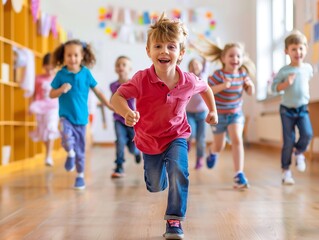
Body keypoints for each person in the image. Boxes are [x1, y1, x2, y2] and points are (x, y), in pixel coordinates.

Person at [111, 13, 218, 240]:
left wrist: (213, 110)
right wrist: (127, 113)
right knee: (155, 185)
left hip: (176, 135)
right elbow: (117, 97)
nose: (164, 51)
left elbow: (206, 88)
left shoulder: (188, 80)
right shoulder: (141, 79)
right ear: (148, 51)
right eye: (158, 46)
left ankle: (174, 221)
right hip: (149, 140)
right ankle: (159, 177)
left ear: (181, 53)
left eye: (171, 46)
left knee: (179, 171)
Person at [49, 39, 113, 190]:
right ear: (64, 56)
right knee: (66, 136)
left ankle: (80, 176)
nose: (72, 58)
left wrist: (109, 105)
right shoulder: (61, 74)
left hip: (82, 119)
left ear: (82, 55)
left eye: (76, 55)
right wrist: (60, 90)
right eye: (69, 55)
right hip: (66, 116)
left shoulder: (86, 73)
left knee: (80, 149)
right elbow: (51, 94)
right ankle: (69, 153)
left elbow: (98, 92)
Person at [195, 38, 255, 190]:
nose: (235, 59)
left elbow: (250, 91)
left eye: (238, 56)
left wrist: (250, 86)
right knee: (220, 145)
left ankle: (238, 174)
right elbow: (207, 91)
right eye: (232, 56)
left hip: (235, 113)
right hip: (219, 115)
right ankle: (212, 152)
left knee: (237, 139)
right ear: (223, 58)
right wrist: (224, 86)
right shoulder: (218, 75)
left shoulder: (242, 74)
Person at [271, 30, 313, 185]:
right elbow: (274, 88)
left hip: (302, 108)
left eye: (301, 48)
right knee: (288, 141)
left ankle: (299, 152)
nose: (298, 52)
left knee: (307, 134)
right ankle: (286, 171)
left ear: (305, 49)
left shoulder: (308, 68)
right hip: (286, 110)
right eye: (294, 49)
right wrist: (285, 84)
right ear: (286, 51)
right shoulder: (284, 71)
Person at [110, 56, 141, 178]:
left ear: (130, 69)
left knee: (132, 147)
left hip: (132, 120)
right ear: (115, 68)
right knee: (120, 141)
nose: (121, 67)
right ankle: (119, 166)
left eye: (124, 65)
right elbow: (113, 100)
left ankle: (137, 152)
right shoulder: (113, 85)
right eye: (118, 65)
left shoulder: (134, 84)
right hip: (118, 119)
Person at [29, 53, 60, 166]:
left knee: (51, 127)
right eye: (47, 65)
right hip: (40, 106)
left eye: (52, 66)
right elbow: (34, 93)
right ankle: (47, 153)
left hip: (53, 107)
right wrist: (30, 106)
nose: (49, 68)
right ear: (44, 65)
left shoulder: (58, 79)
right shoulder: (38, 78)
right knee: (43, 131)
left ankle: (48, 155)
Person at [186, 57, 209, 169]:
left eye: (197, 64)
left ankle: (200, 158)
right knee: (191, 133)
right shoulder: (188, 78)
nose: (195, 66)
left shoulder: (204, 75)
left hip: (202, 114)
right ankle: (188, 142)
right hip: (189, 112)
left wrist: (201, 49)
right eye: (192, 64)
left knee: (201, 139)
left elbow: (206, 60)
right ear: (189, 68)